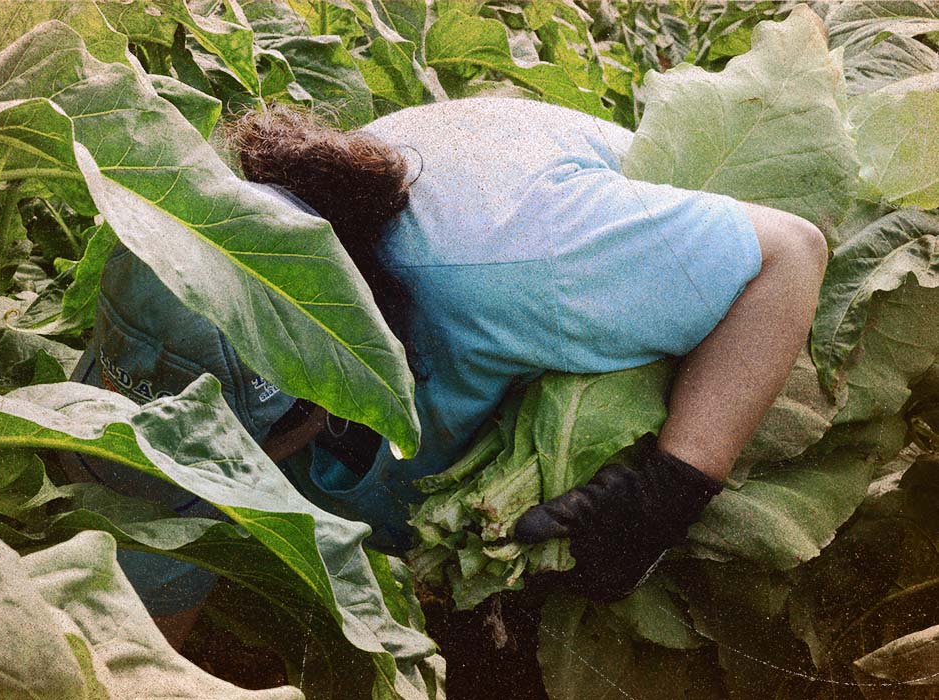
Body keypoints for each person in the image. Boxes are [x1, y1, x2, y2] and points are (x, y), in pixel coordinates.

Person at [65, 96, 827, 646]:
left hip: (643, 300)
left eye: (245, 450)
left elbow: (792, 254)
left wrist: (669, 485)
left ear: (328, 386)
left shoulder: (525, 268)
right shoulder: (172, 299)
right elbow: (155, 562)